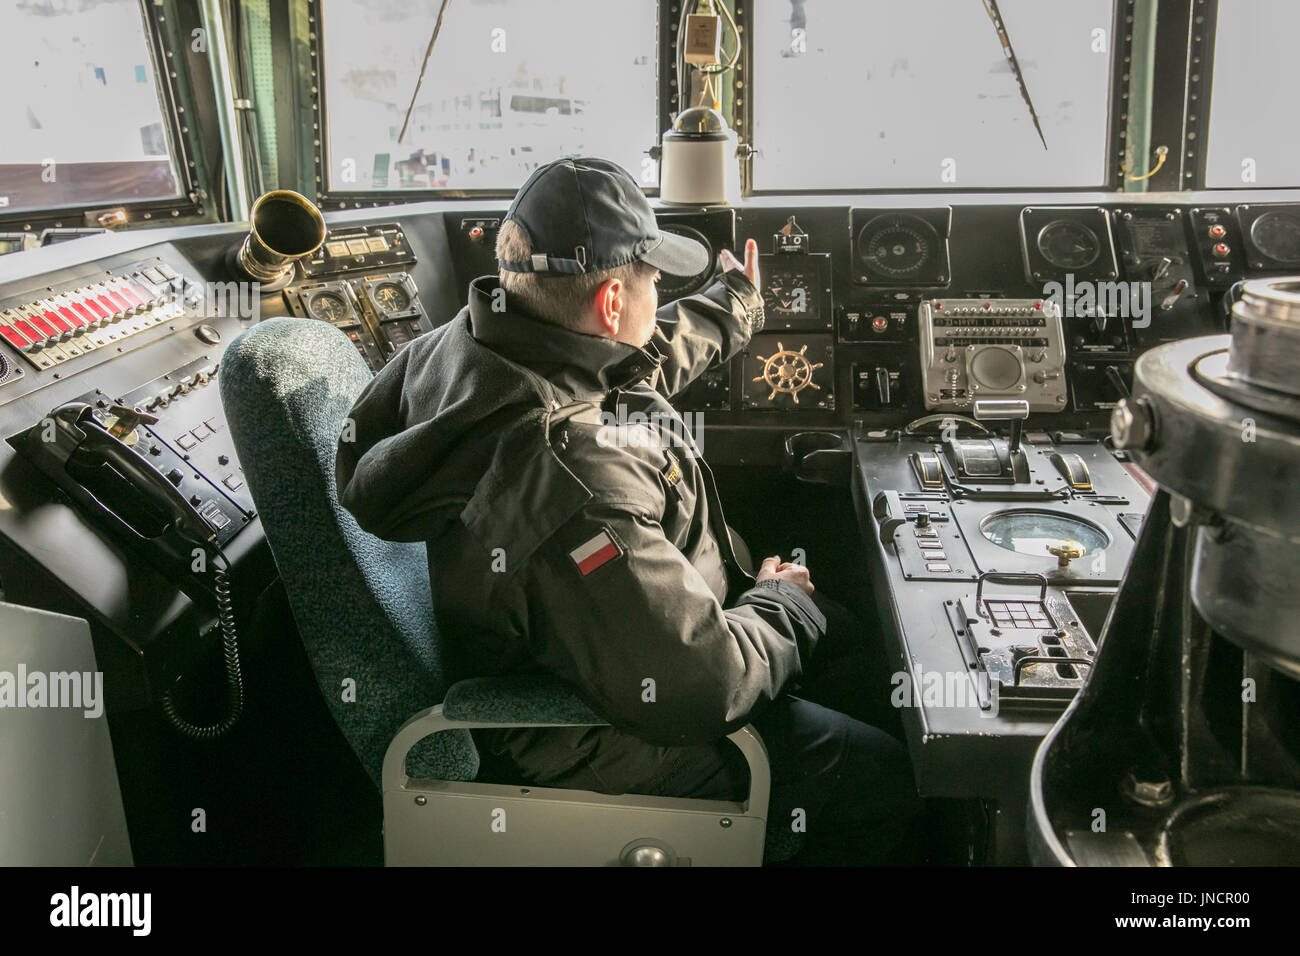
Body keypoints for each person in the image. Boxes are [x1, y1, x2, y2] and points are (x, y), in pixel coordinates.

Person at [335, 156, 919, 864]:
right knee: (885, 772)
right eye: (654, 282)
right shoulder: (576, 487)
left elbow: (625, 367)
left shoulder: (463, 347)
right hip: (604, 739)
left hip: (609, 636)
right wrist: (780, 602)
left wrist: (733, 305)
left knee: (856, 648)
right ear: (612, 303)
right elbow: (705, 685)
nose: (658, 295)